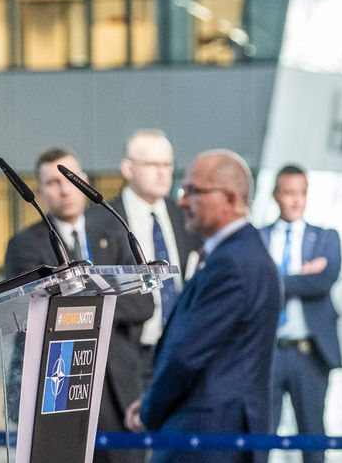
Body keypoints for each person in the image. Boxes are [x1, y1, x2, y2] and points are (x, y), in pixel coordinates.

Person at [126, 150, 280, 463]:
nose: (182, 201)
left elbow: (186, 354)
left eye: (194, 191)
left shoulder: (232, 264)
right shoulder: (239, 255)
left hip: (207, 437)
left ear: (230, 198)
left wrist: (151, 411)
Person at [1, 148, 152, 463]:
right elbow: (41, 309)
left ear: (84, 182)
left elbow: (143, 303)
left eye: (71, 179)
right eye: (53, 182)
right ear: (40, 191)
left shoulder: (116, 232)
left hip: (117, 389)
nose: (64, 189)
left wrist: (84, 302)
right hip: (56, 387)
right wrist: (108, 298)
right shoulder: (25, 245)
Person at [258, 165, 341, 463]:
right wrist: (299, 277)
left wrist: (276, 279)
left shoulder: (326, 238)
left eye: (301, 193)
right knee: (261, 435)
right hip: (267, 354)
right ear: (275, 195)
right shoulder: (258, 237)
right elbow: (253, 284)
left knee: (313, 436)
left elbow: (323, 281)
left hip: (310, 352)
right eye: (289, 193)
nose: (295, 201)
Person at [107, 129, 202, 382]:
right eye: (152, 164)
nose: (163, 172)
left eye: (167, 164)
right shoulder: (103, 219)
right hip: (128, 354)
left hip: (181, 353)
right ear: (128, 169)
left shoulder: (185, 217)